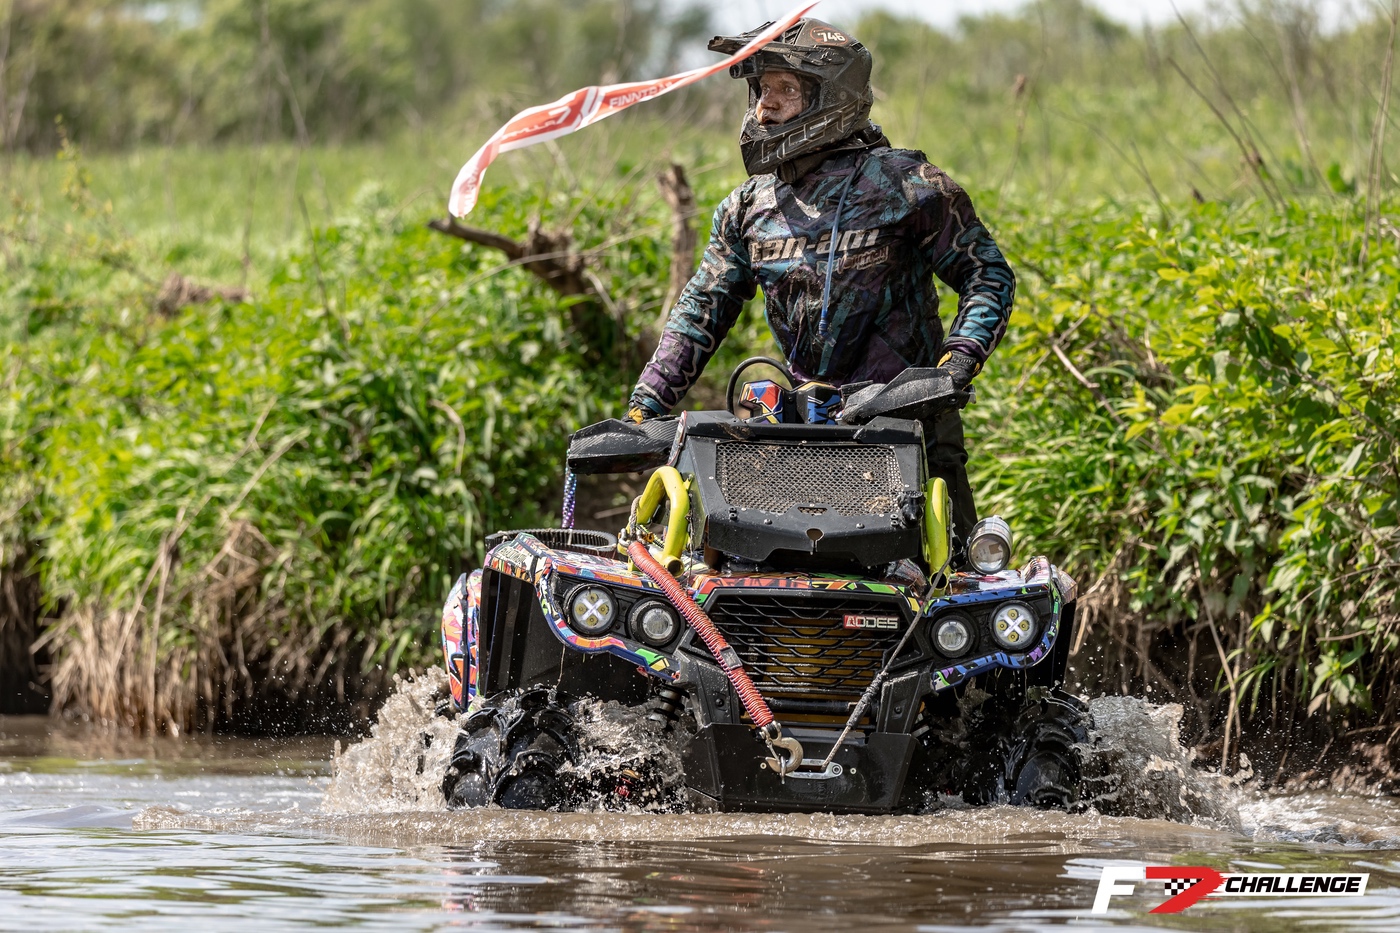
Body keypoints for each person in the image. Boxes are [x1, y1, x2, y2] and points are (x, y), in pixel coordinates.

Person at [626, 17, 1015, 544]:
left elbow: (986, 273)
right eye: (762, 89)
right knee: (763, 571)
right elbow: (702, 310)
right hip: (801, 434)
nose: (765, 107)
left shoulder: (908, 186)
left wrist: (956, 365)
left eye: (785, 89)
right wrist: (645, 406)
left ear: (831, 95)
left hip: (911, 428)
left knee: (953, 575)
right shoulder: (748, 207)